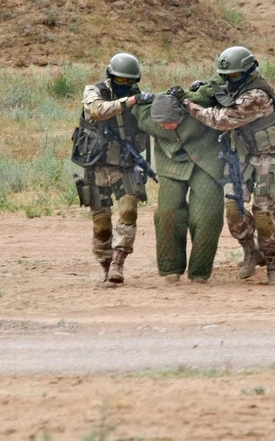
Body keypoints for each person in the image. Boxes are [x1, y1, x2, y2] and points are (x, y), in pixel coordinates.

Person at [176, 46, 275, 285]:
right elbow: (218, 90)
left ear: (249, 72)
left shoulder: (256, 95)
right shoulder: (235, 85)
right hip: (243, 154)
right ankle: (250, 250)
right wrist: (201, 90)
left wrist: (188, 105)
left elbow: (222, 120)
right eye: (227, 76)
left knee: (262, 215)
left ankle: (272, 263)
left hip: (270, 157)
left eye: (235, 76)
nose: (230, 80)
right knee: (232, 208)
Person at [71, 52, 154, 285]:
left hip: (125, 166)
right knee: (102, 225)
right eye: (121, 80)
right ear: (111, 75)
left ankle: (118, 264)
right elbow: (96, 110)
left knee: (128, 211)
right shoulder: (93, 91)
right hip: (94, 165)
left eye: (130, 81)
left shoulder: (139, 98)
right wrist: (127, 103)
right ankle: (105, 266)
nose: (125, 85)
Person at [131, 92, 224, 283]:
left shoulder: (196, 107)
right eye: (162, 125)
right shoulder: (147, 118)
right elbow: (132, 105)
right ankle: (170, 268)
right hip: (171, 162)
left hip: (205, 161)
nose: (167, 127)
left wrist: (193, 94)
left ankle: (199, 272)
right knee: (167, 213)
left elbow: (216, 93)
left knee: (207, 216)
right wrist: (138, 98)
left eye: (172, 123)